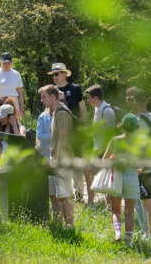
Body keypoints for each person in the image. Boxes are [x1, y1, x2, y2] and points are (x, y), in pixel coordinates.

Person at [126, 87, 151, 242]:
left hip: (145, 168)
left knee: (149, 204)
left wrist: (142, 169)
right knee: (150, 202)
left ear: (134, 101)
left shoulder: (139, 121)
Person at [102, 114, 142, 246]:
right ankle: (129, 242)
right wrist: (140, 170)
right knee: (130, 212)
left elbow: (104, 160)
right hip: (132, 175)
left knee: (116, 210)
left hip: (117, 177)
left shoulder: (115, 140)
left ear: (122, 126)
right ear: (137, 127)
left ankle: (117, 233)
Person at [50, 63, 88, 202]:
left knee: (77, 165)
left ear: (65, 74)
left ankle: (79, 195)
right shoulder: (51, 90)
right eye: (53, 74)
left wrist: (81, 127)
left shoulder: (75, 88)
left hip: (76, 133)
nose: (55, 77)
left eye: (57, 74)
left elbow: (83, 109)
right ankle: (66, 195)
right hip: (60, 132)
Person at [39, 84, 75, 228]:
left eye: (44, 97)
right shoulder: (54, 112)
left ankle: (70, 227)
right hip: (55, 160)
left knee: (64, 197)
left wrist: (59, 161)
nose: (42, 100)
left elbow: (64, 138)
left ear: (53, 97)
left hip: (62, 161)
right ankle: (59, 225)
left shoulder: (61, 112)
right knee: (55, 195)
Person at [85, 85, 117, 207]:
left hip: (105, 150)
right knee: (89, 173)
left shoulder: (107, 111)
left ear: (95, 97)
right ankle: (91, 202)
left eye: (89, 98)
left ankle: (108, 205)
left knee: (104, 176)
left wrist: (103, 151)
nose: (87, 100)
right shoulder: (97, 110)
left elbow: (111, 133)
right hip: (96, 149)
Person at [0, 52, 24, 120]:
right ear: (1, 62)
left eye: (8, 63)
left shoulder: (16, 74)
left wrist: (21, 110)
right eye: (4, 63)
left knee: (13, 124)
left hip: (13, 103)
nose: (6, 65)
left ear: (11, 63)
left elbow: (20, 93)